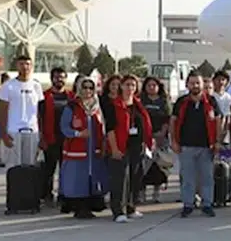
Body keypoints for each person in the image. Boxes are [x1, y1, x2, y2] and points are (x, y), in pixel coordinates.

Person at [170, 72, 220, 218]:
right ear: (187, 85)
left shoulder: (211, 101)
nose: (195, 86)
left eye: (198, 83)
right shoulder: (181, 102)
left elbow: (218, 121)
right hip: (186, 146)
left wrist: (217, 141)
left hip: (206, 146)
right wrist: (173, 140)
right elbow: (173, 121)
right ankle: (188, 204)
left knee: (207, 177)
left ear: (202, 84)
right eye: (192, 83)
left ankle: (207, 204)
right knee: (188, 178)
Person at [104, 74, 153, 223]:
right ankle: (118, 211)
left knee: (135, 177)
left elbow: (144, 125)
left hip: (136, 146)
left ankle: (131, 207)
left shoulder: (138, 105)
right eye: (127, 85)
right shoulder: (115, 105)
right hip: (120, 146)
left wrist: (147, 143)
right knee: (120, 179)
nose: (130, 88)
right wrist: (114, 149)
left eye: (133, 85)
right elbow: (110, 129)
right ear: (121, 87)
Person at [60, 76, 108, 219]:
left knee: (92, 179)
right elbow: (64, 127)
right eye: (85, 87)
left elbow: (103, 127)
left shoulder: (97, 107)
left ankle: (92, 205)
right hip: (76, 151)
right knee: (77, 180)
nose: (88, 90)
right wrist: (77, 133)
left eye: (91, 87)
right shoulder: (72, 106)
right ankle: (78, 207)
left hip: (94, 152)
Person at [0, 56, 44, 168]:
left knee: (30, 168)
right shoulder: (8, 86)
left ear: (31, 66)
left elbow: (39, 112)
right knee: (14, 168)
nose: (25, 67)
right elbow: (3, 111)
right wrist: (3, 134)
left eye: (27, 64)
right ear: (17, 66)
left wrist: (41, 134)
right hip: (13, 131)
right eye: (21, 64)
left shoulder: (36, 86)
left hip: (32, 132)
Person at [38, 66, 72, 202]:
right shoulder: (44, 97)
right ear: (52, 79)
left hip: (67, 140)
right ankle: (47, 194)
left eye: (62, 77)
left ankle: (64, 194)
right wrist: (41, 138)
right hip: (50, 138)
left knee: (65, 169)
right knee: (49, 169)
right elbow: (39, 118)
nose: (59, 80)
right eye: (57, 77)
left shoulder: (71, 97)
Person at [140, 77, 171, 202]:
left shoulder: (163, 101)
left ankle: (156, 193)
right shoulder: (141, 100)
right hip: (144, 137)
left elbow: (167, 118)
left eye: (154, 85)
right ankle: (141, 193)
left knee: (159, 166)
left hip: (160, 138)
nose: (152, 87)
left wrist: (162, 133)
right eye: (149, 85)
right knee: (143, 166)